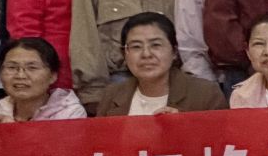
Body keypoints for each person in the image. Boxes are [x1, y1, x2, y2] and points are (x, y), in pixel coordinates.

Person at [96, 12, 228, 116]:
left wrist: (186, 126)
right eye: (136, 47)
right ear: (124, 53)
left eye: (155, 45)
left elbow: (221, 140)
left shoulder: (206, 94)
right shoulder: (111, 95)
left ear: (174, 51)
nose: (146, 54)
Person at [0, 38, 86, 124]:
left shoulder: (71, 114)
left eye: (32, 68)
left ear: (53, 76)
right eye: (12, 67)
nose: (20, 75)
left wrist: (12, 131)